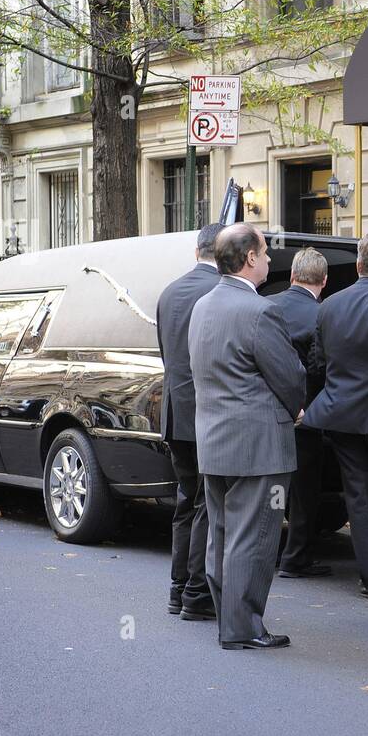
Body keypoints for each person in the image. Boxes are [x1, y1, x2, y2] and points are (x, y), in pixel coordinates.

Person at [189, 223, 306, 650]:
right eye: (265, 252)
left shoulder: (203, 305)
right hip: (259, 446)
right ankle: (244, 627)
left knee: (222, 535)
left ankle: (231, 620)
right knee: (254, 538)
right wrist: (297, 406)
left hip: (215, 441)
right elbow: (289, 375)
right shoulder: (260, 311)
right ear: (251, 259)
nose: (272, 260)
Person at [304, 233, 368, 602]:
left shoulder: (329, 306)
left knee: (359, 494)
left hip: (340, 413)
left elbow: (317, 362)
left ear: (359, 265)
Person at [155, 222, 223, 621]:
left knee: (186, 501)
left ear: (197, 251)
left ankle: (178, 588)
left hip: (176, 412)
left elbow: (168, 356)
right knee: (204, 504)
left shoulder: (169, 292)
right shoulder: (218, 292)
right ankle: (197, 592)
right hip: (206, 412)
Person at [269, 248, 332, 580]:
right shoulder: (321, 314)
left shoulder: (267, 306)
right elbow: (320, 367)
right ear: (323, 280)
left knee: (270, 485)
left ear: (292, 275)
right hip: (307, 412)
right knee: (305, 489)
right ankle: (296, 556)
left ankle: (268, 550)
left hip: (268, 411)